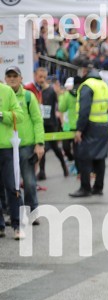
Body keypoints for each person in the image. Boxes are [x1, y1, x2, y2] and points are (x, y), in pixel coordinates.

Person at [4, 66, 45, 237]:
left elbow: (37, 120)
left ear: (21, 78)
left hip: (26, 146)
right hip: (8, 146)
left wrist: (40, 143)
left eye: (15, 76)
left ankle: (33, 212)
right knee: (11, 184)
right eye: (9, 76)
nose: (12, 79)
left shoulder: (28, 96)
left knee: (28, 181)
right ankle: (14, 213)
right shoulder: (3, 96)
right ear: (5, 79)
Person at [69, 64, 108, 198]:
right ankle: (98, 187)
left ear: (85, 71)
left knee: (84, 157)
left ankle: (85, 188)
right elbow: (107, 107)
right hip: (103, 125)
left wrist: (79, 129)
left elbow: (84, 110)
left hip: (90, 126)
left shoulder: (87, 86)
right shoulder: (103, 85)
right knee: (100, 157)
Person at [0, 82, 26, 239]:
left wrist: (2, 115)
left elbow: (20, 115)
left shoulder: (6, 91)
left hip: (6, 148)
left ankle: (17, 226)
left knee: (12, 186)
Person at [39, 75, 69, 179]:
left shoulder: (51, 91)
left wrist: (61, 119)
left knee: (55, 148)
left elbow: (59, 105)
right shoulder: (38, 92)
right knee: (41, 147)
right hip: (41, 123)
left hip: (51, 123)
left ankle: (64, 166)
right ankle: (42, 172)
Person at [58, 77, 78, 169]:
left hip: (67, 124)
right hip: (76, 124)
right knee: (76, 148)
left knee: (66, 147)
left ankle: (72, 161)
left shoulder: (65, 95)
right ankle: (76, 165)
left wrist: (62, 97)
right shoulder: (80, 93)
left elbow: (61, 108)